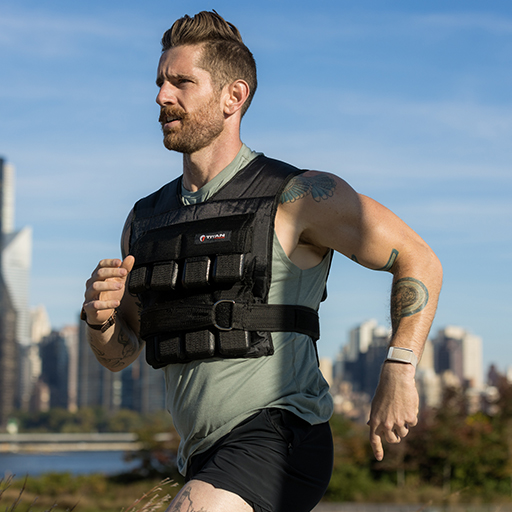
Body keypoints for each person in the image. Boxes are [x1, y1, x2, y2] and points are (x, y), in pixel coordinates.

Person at [82, 11, 442, 512]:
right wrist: (98, 321)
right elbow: (122, 353)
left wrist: (400, 369)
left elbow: (419, 259)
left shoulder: (300, 196)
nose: (163, 96)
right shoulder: (145, 219)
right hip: (201, 455)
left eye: (182, 82)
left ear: (235, 96)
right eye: (161, 82)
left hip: (283, 434)